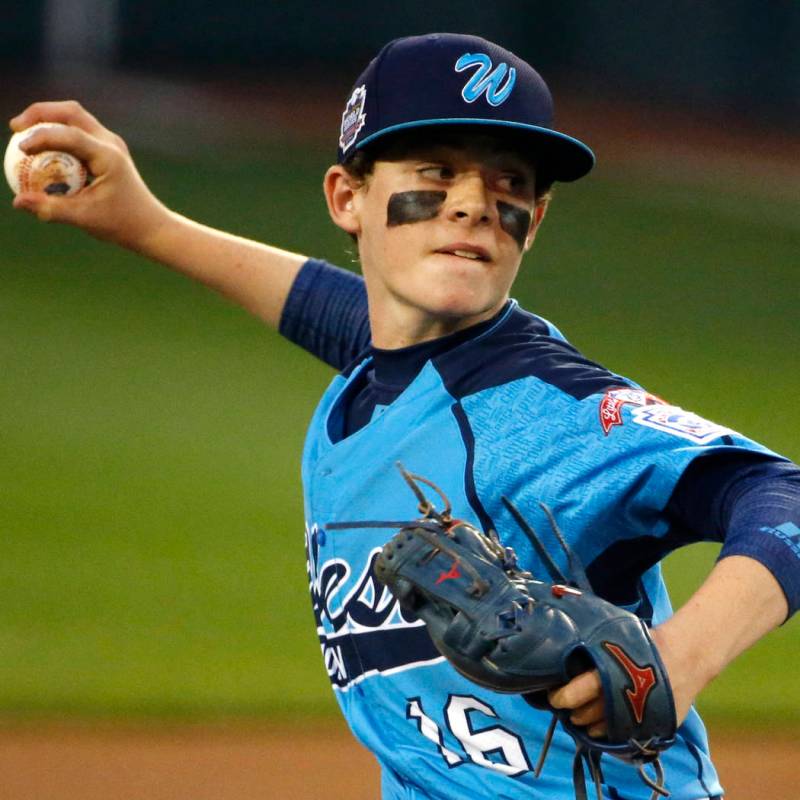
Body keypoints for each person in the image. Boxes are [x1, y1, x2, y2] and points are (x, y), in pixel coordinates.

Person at [10, 32, 798, 800]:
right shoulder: (384, 368)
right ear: (347, 198)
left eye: (507, 184)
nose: (472, 207)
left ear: (536, 218)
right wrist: (145, 224)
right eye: (435, 172)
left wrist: (673, 661)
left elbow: (784, 499)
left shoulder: (541, 408)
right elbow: (343, 314)